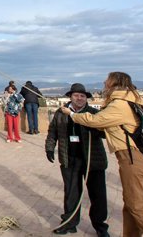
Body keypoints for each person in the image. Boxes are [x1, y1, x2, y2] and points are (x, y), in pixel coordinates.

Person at [62, 72, 143, 237]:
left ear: (114, 83)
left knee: (136, 207)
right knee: (129, 204)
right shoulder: (129, 100)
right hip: (131, 158)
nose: (104, 83)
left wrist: (72, 115)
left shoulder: (119, 104)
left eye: (107, 81)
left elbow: (96, 121)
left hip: (132, 158)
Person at [45, 84, 109, 236]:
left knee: (98, 195)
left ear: (86, 98)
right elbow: (52, 131)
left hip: (93, 160)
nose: (79, 98)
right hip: (70, 159)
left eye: (82, 96)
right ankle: (69, 223)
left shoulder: (93, 113)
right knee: (71, 193)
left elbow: (105, 133)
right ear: (70, 97)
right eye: (76, 95)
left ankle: (100, 227)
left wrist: (95, 125)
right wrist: (49, 147)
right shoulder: (61, 114)